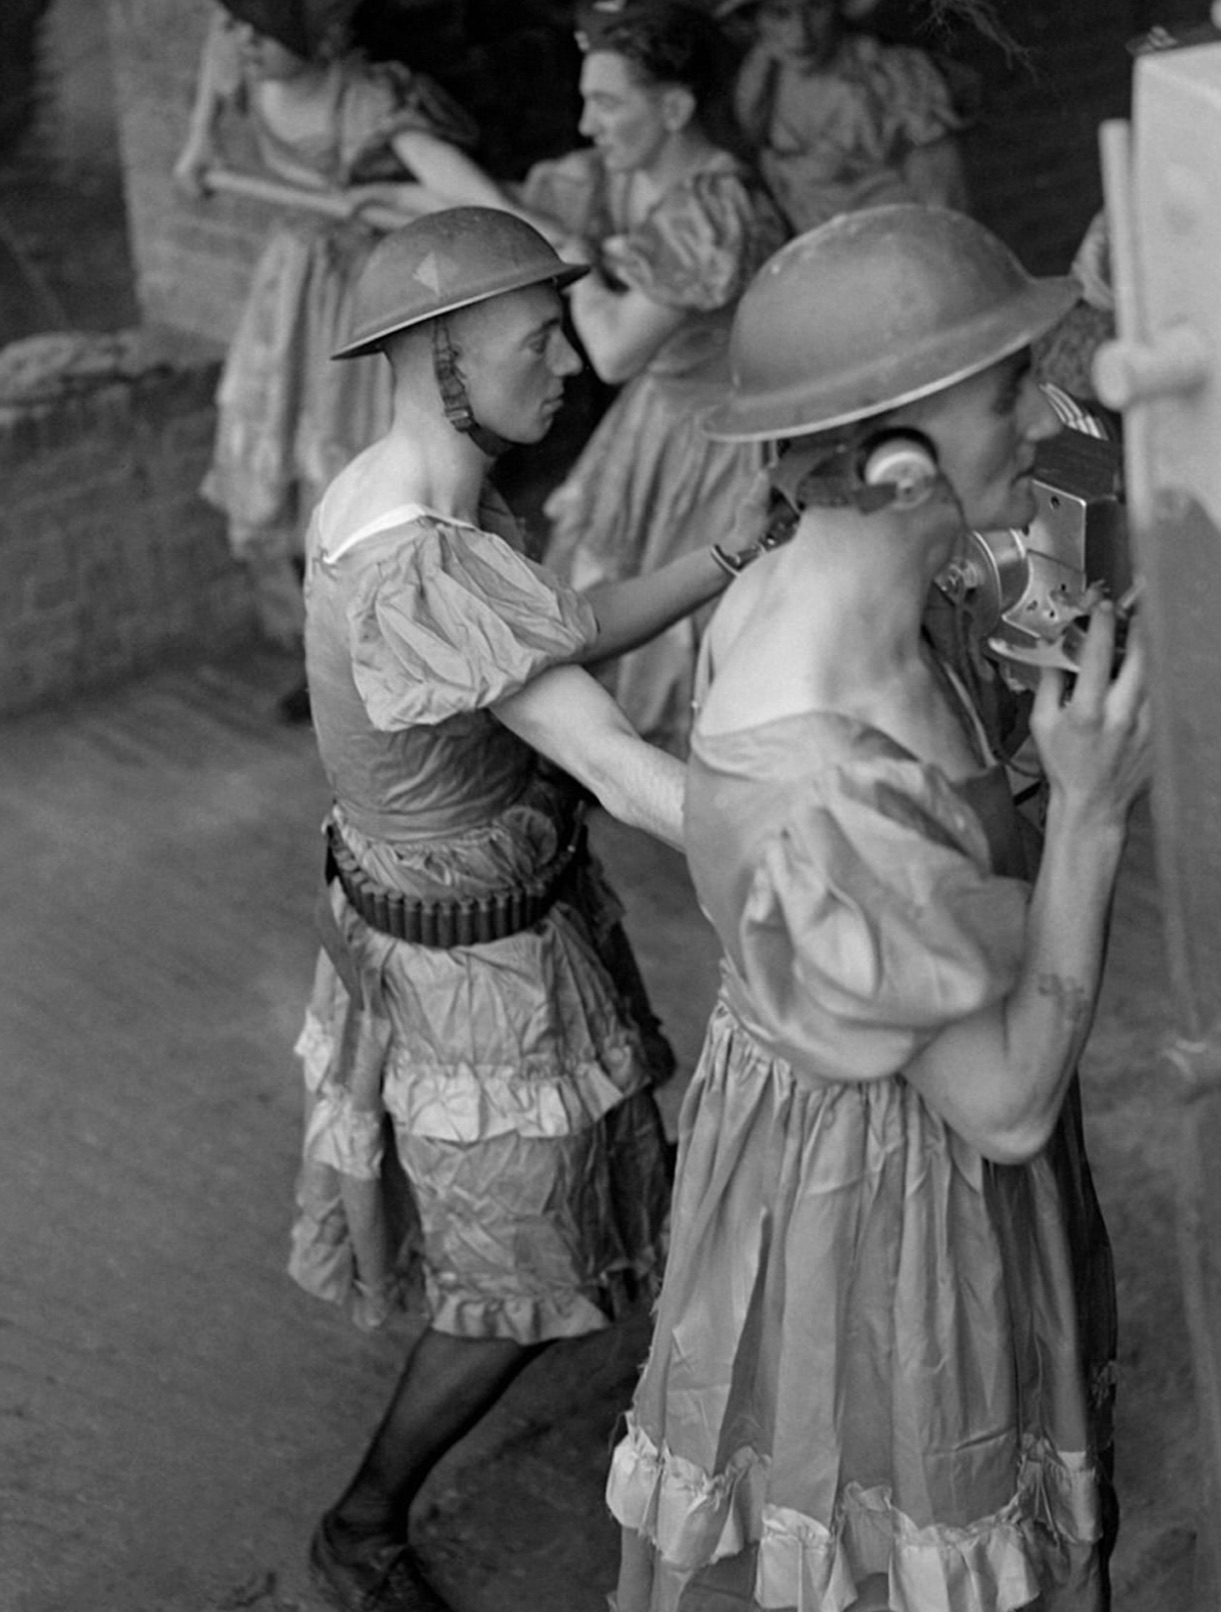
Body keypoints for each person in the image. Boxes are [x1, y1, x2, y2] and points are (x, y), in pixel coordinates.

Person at [606, 205, 1148, 1612]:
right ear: (898, 458)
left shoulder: (869, 576)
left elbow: (1055, 540)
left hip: (873, 1126)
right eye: (1002, 394)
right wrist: (1087, 813)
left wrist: (1095, 327)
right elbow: (1008, 1106)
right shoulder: (817, 792)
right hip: (885, 1201)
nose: (1038, 413)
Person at [288, 206, 783, 1612]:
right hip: (480, 978)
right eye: (534, 338)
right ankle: (358, 1527)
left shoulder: (402, 492)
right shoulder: (418, 560)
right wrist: (848, 843)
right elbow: (623, 774)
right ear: (439, 351)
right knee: (509, 1278)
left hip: (472, 922)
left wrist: (722, 561)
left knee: (563, 1220)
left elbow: (550, 631)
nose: (569, 362)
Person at [173, 0, 514, 700]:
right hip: (294, 287)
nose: (239, 42)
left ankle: (399, 639)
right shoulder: (250, 63)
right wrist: (198, 141)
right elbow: (217, 47)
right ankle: (328, 644)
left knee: (354, 461)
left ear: (311, 33)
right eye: (236, 25)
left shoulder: (361, 100)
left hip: (358, 294)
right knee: (289, 457)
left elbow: (449, 179)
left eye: (258, 29)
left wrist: (512, 222)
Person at [514, 0, 789, 756]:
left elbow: (611, 352)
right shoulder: (640, 179)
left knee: (697, 625)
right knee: (614, 586)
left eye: (606, 102)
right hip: (661, 418)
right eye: (585, 100)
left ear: (673, 106)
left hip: (715, 436)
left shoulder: (714, 206)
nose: (587, 124)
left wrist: (572, 261)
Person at [716, 0, 978, 233]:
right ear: (755, 17)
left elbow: (945, 204)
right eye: (779, 12)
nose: (801, 33)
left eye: (816, 7)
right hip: (829, 270)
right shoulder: (758, 86)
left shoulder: (889, 78)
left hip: (903, 252)